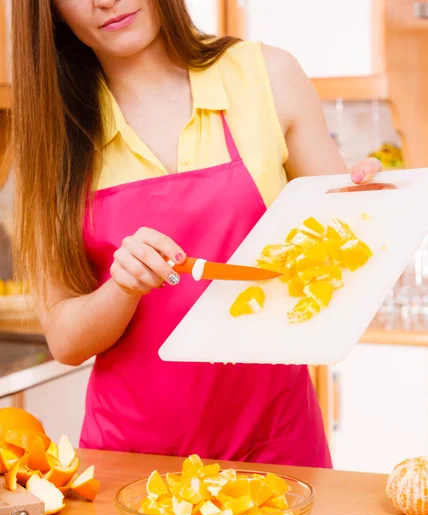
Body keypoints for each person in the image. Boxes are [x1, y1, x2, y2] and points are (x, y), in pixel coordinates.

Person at [11, 0, 381, 467]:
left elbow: (344, 248)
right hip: (132, 465)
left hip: (277, 449)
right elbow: (66, 340)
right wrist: (121, 289)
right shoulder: (52, 135)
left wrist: (371, 200)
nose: (105, 1)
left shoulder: (266, 76)